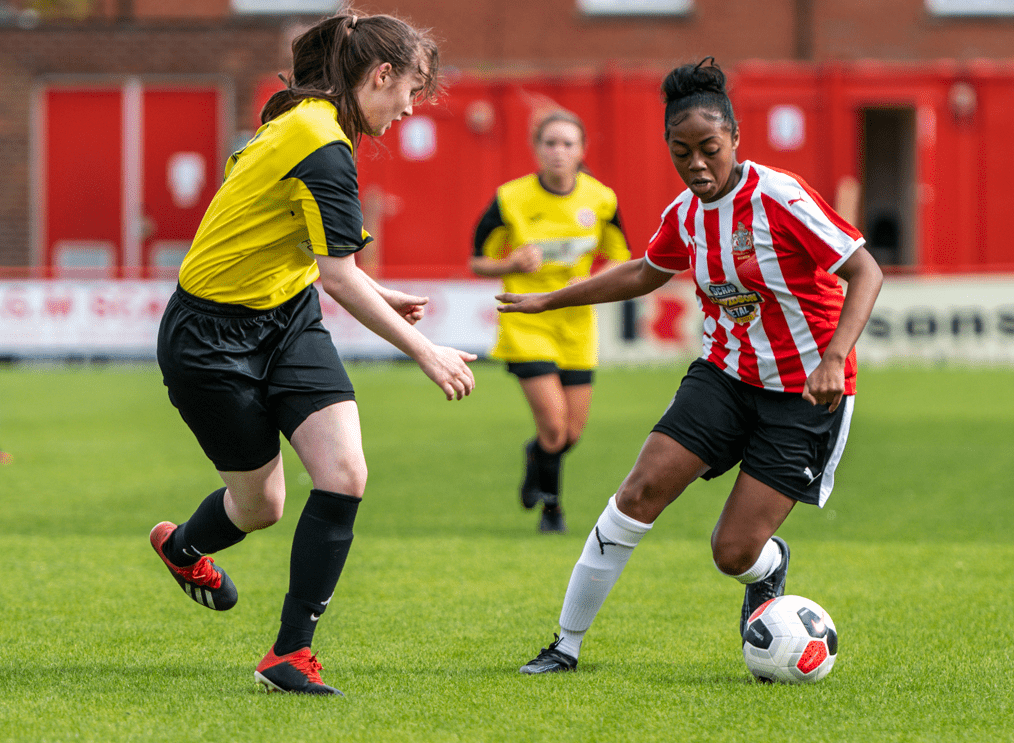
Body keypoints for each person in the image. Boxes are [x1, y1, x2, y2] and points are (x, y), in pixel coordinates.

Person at [503, 58, 883, 674]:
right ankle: (565, 645)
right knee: (637, 493)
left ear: (735, 139)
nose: (698, 165)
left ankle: (769, 566)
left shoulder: (780, 197)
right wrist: (550, 297)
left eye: (710, 149)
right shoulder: (685, 213)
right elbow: (642, 271)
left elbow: (865, 269)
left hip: (805, 393)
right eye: (683, 153)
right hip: (724, 377)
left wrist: (834, 357)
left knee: (732, 553)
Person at [150, 11, 476, 696]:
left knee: (345, 472)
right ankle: (183, 546)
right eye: (410, 90)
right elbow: (338, 275)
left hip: (288, 317)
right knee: (262, 504)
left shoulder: (316, 127)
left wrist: (378, 291)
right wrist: (426, 351)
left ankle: (289, 653)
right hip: (209, 339)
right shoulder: (319, 141)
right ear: (379, 76)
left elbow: (309, 250)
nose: (411, 108)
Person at [470, 110, 630, 534]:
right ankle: (552, 511)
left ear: (582, 151)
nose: (558, 152)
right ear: (536, 150)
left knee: (570, 433)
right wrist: (510, 262)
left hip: (576, 324)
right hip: (526, 322)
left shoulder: (601, 199)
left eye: (567, 144)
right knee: (555, 426)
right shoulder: (510, 198)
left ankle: (534, 456)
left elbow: (621, 256)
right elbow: (476, 261)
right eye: (550, 143)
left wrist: (592, 280)